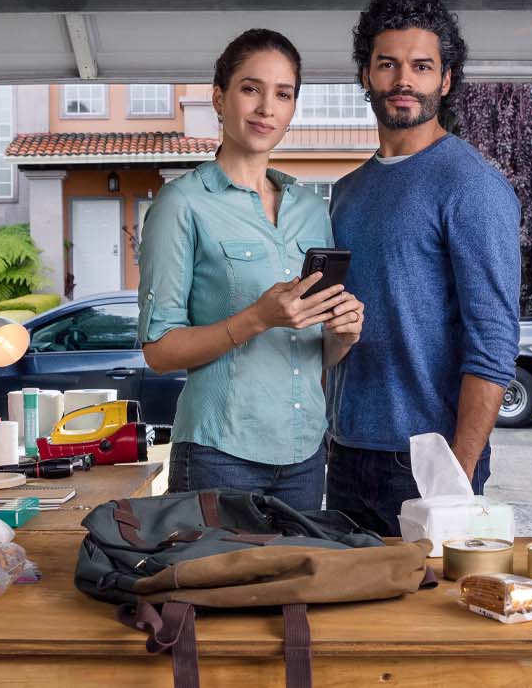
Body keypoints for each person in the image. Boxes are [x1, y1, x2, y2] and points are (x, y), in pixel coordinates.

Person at [136, 29, 365, 508]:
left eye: (283, 94)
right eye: (251, 88)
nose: (267, 108)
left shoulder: (310, 209)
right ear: (219, 98)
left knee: (293, 584)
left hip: (304, 455)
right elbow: (158, 351)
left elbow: (309, 351)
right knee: (214, 584)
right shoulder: (182, 205)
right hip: (219, 452)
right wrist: (258, 317)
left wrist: (341, 336)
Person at [326, 0, 522, 536]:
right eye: (387, 64)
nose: (403, 80)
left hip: (429, 459)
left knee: (426, 621)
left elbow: (494, 340)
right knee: (345, 619)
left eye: (421, 66)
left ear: (445, 80)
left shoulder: (470, 184)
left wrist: (455, 475)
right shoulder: (347, 191)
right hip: (345, 450)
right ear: (366, 75)